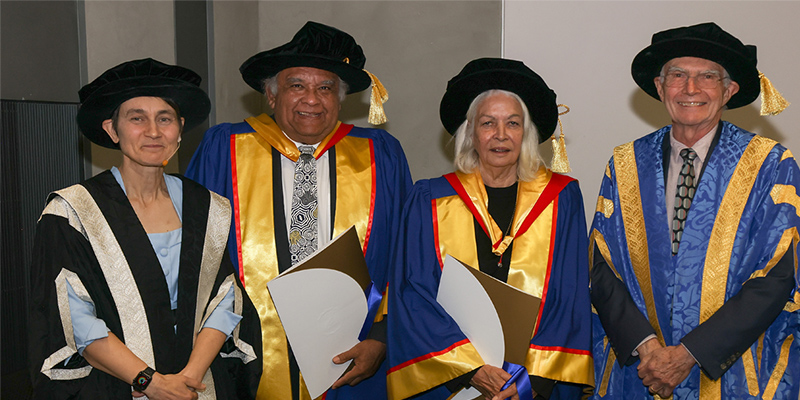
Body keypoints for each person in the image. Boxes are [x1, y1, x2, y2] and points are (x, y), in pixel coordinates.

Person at [186, 21, 412, 399]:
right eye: (297, 86)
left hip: (355, 354)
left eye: (325, 88)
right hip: (243, 351)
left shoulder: (380, 155)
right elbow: (191, 252)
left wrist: (382, 338)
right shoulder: (223, 148)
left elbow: (408, 257)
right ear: (271, 97)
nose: (312, 99)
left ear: (340, 100)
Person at [590, 22, 799, 400]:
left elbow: (778, 275)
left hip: (733, 371)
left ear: (728, 90)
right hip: (642, 369)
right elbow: (603, 267)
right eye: (677, 75)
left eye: (706, 76)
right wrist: (647, 346)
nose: (690, 89)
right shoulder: (625, 164)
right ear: (659, 87)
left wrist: (690, 353)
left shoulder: (770, 165)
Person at [29, 58, 259, 400]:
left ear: (179, 128)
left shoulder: (208, 206)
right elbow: (74, 318)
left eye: (164, 119)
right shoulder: (73, 212)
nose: (153, 131)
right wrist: (150, 383)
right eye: (137, 118)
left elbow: (224, 301)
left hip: (197, 385)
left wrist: (190, 378)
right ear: (112, 130)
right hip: (117, 385)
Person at [387, 58, 593, 400]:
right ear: (471, 133)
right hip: (451, 380)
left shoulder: (561, 197)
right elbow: (413, 293)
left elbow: (568, 296)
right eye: (488, 123)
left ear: (526, 132)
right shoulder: (429, 199)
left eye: (513, 123)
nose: (500, 135)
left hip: (533, 385)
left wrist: (525, 385)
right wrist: (470, 369)